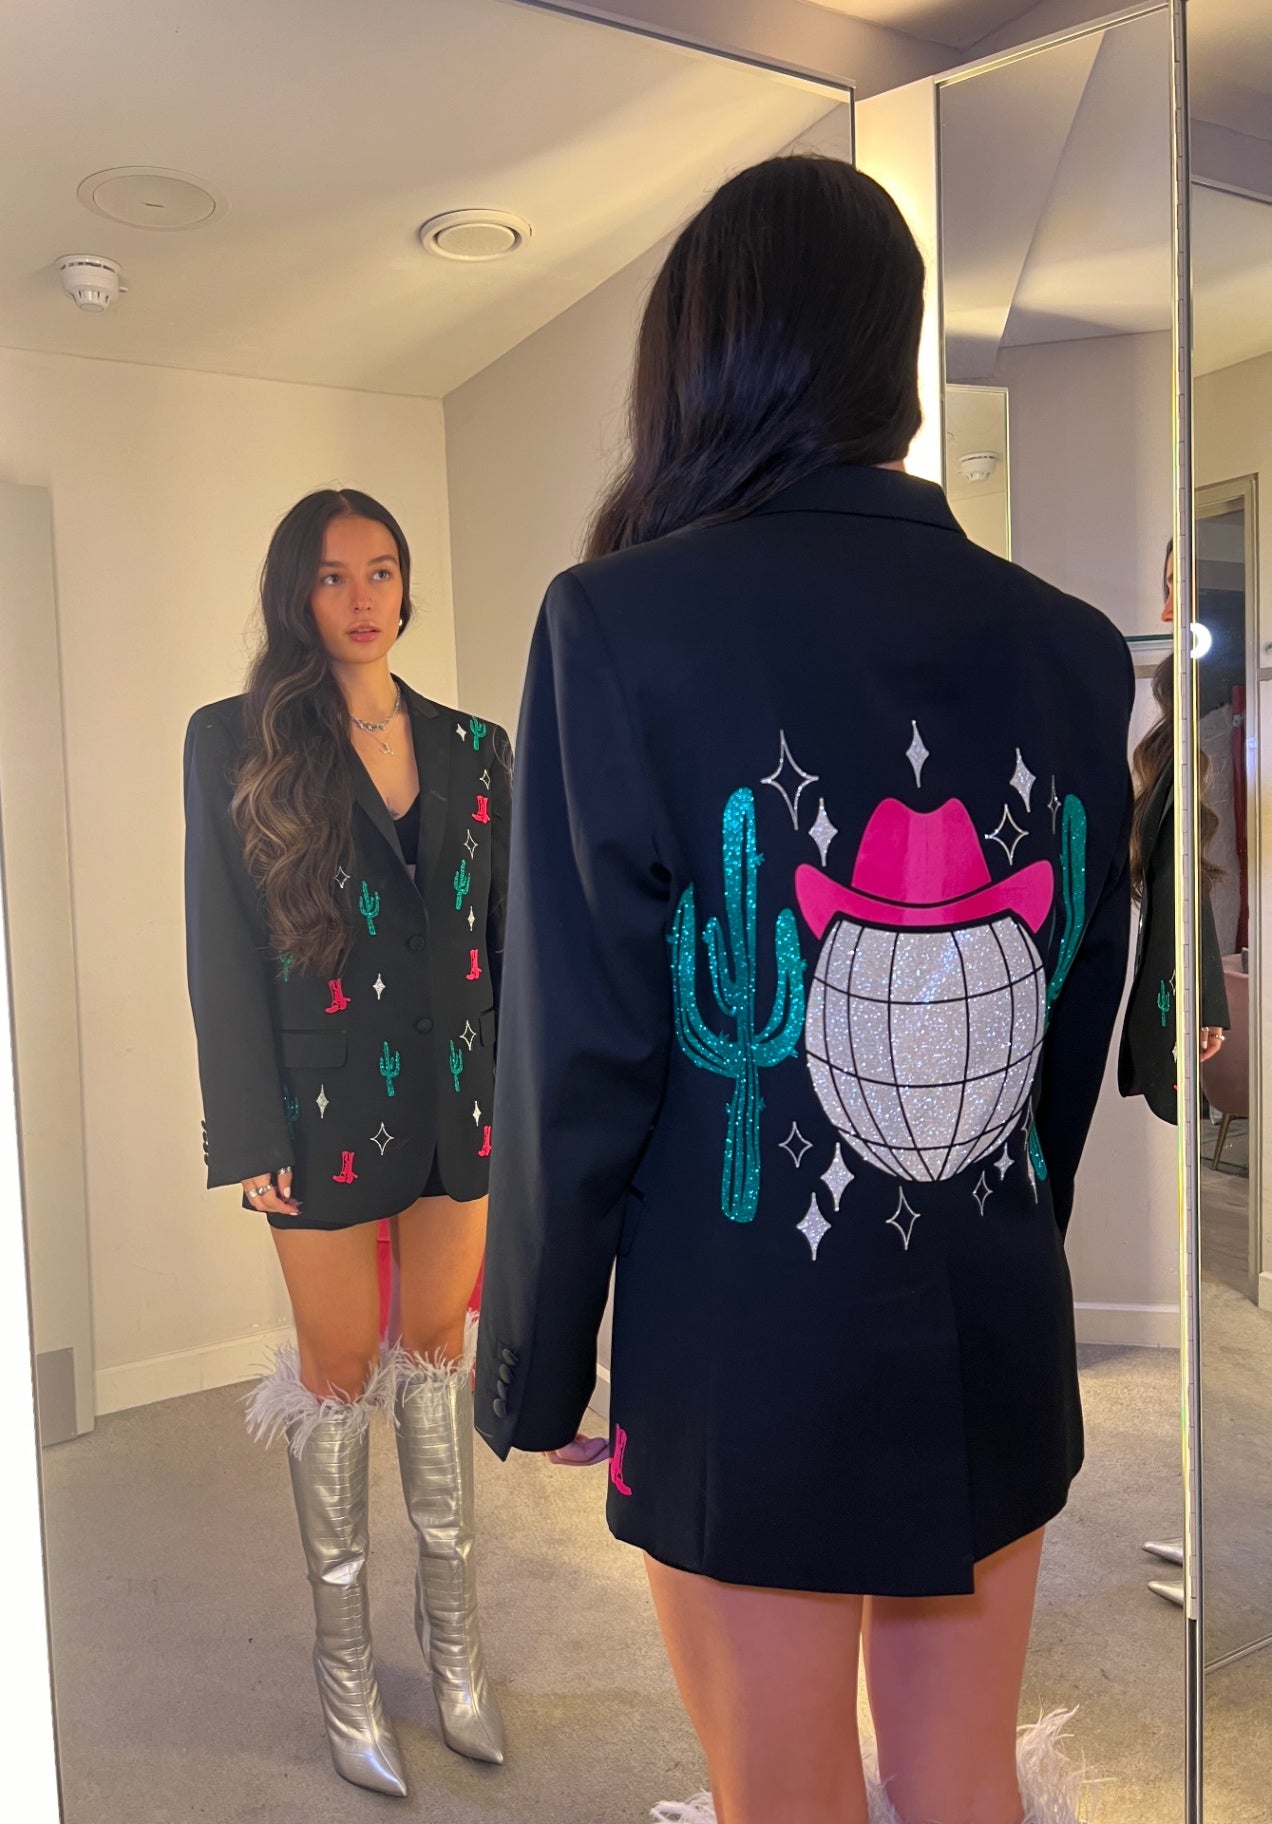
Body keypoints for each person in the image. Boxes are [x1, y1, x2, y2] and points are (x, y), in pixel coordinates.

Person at [475, 157, 1135, 1824]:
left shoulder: (617, 624)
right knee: (962, 1781)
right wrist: (996, 1242)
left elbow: (576, 1045)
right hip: (990, 1310)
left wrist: (539, 1357)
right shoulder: (1069, 646)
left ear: (703, 355)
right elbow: (1066, 1010)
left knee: (781, 1792)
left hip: (743, 1342)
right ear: (888, 349)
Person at [183, 488, 510, 1797]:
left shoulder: (477, 746)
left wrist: (515, 1097)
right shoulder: (234, 740)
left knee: (436, 1357)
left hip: (458, 1098)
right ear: (296, 593)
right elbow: (218, 944)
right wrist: (246, 1127)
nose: (363, 597)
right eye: (333, 576)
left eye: (381, 570)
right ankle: (346, 1678)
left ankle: (457, 1656)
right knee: (334, 1370)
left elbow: (502, 941)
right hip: (316, 1109)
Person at [1122, 541, 1228, 1602]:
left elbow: (1192, 888)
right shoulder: (1174, 714)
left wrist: (1204, 1003)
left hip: (1180, 994)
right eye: (1165, 580)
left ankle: (1212, 1536)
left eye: (1178, 579)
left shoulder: (1202, 702)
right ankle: (1202, 1525)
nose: (1167, 597)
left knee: (1204, 1289)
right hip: (1170, 991)